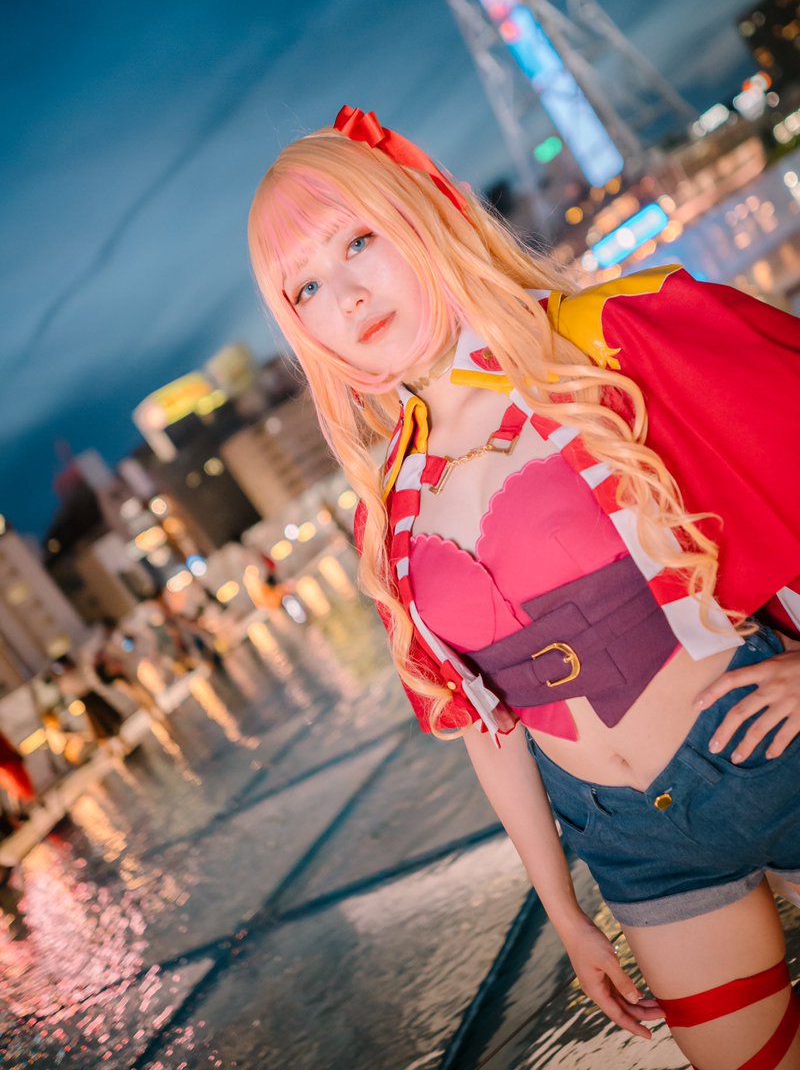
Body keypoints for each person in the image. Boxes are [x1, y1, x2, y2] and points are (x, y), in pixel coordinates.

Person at [247, 105, 800, 1070]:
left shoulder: (600, 344)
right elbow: (488, 726)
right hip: (632, 848)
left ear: (422, 215)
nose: (347, 294)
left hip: (769, 750)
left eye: (357, 241)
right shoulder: (388, 516)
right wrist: (565, 910)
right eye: (307, 287)